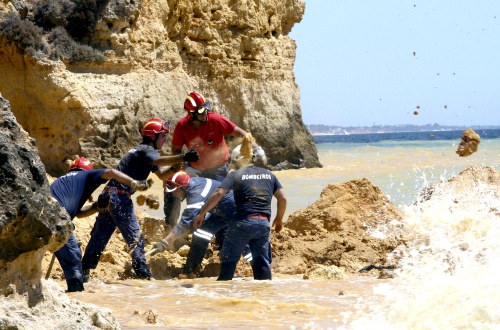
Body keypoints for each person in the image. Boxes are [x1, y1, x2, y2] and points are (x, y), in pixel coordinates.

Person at [81, 118, 199, 281]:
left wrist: (174, 168)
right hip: (120, 196)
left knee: (100, 237)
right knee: (136, 239)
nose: (165, 140)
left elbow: (161, 175)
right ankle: (144, 276)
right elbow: (158, 161)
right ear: (153, 136)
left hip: (108, 195)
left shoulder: (141, 151)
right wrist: (182, 156)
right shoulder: (146, 150)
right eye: (163, 136)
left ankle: (83, 272)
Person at [164, 91, 267, 227]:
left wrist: (258, 149)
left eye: (207, 107)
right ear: (191, 114)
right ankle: (171, 226)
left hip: (219, 168)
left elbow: (241, 133)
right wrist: (179, 166)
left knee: (219, 201)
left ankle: (220, 236)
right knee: (173, 189)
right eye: (201, 110)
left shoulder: (215, 120)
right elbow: (176, 149)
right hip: (195, 168)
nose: (205, 112)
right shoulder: (182, 126)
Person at [50, 157, 152, 292]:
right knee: (74, 258)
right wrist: (134, 183)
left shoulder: (65, 182)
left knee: (64, 254)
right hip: (57, 218)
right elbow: (111, 172)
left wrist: (96, 207)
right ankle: (76, 293)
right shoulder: (86, 174)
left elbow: (79, 213)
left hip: (46, 215)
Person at [193, 144, 286, 281]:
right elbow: (282, 198)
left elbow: (219, 193)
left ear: (238, 159)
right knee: (262, 263)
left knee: (228, 259)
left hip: (243, 223)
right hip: (264, 224)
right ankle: (264, 296)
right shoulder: (269, 175)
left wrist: (202, 213)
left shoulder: (235, 175)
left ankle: (224, 296)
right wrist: (279, 219)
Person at [152, 171, 252, 277]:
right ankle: (190, 270)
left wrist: (165, 242)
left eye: (175, 190)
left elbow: (184, 223)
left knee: (241, 241)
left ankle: (261, 268)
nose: (173, 194)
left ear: (183, 187)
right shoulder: (194, 183)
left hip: (235, 210)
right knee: (201, 234)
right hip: (220, 211)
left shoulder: (195, 194)